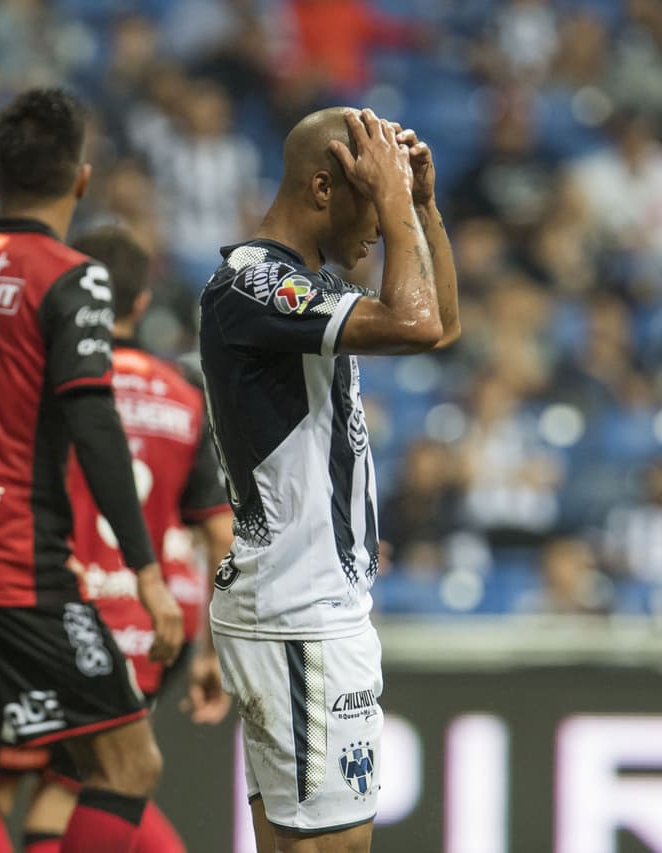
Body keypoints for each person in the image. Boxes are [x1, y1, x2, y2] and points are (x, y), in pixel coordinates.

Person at [0, 87, 184, 853]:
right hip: (18, 566)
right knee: (126, 761)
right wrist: (147, 570)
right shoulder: (71, 276)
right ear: (81, 180)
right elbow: (92, 417)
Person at [198, 107, 459, 853]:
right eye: (370, 201)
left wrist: (424, 209)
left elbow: (438, 323)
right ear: (323, 187)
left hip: (298, 607)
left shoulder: (298, 286)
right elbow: (415, 323)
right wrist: (400, 201)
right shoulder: (255, 286)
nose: (379, 225)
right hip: (300, 611)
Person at [0, 226, 235, 853]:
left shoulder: (41, 383)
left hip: (47, 613)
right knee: (83, 789)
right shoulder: (184, 399)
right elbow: (220, 533)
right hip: (142, 636)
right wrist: (212, 651)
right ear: (139, 303)